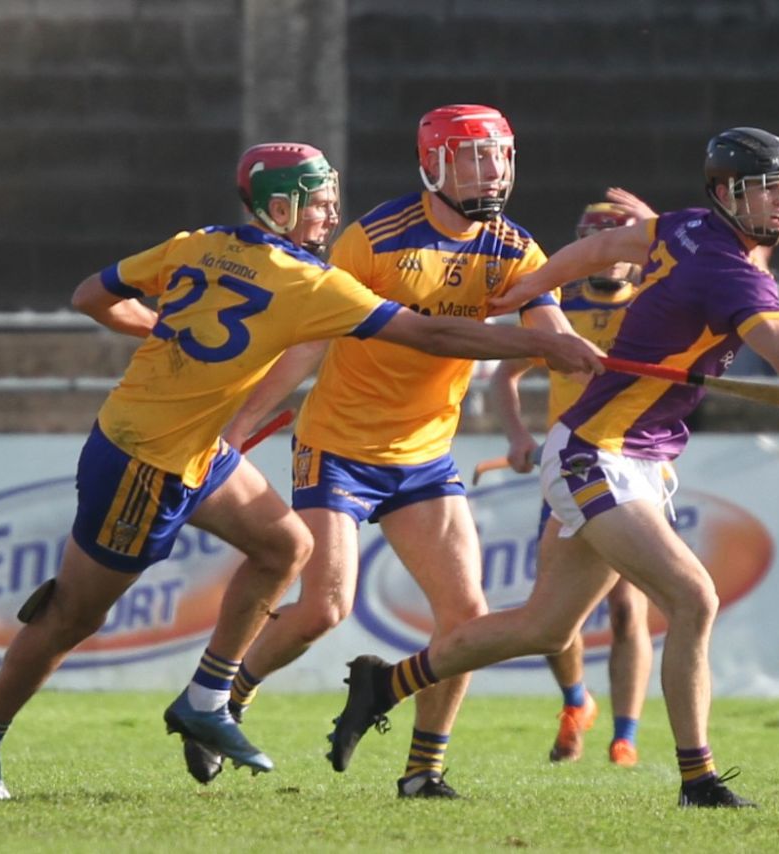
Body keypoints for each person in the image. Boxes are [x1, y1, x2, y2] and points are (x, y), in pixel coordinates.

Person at [0, 142, 603, 800]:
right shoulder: (305, 282)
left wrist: (163, 328)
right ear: (278, 207)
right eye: (316, 207)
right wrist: (541, 342)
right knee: (72, 616)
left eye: (332, 203)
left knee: (285, 546)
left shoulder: (195, 243)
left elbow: (88, 296)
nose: (328, 218)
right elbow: (431, 335)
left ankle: (208, 698)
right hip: (146, 460)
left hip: (188, 445)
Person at [324, 127, 779, 809]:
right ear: (726, 193)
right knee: (694, 597)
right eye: (766, 190)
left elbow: (605, 246)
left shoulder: (687, 230)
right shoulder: (728, 270)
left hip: (643, 454)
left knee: (547, 627)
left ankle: (385, 684)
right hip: (595, 452)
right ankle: (700, 779)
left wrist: (535, 284)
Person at [198, 105, 585, 800]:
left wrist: (586, 356)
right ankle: (225, 700)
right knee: (325, 607)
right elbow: (309, 342)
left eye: (498, 155)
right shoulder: (373, 240)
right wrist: (238, 426)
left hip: (424, 457)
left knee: (465, 617)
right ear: (434, 164)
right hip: (338, 446)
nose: (489, 170)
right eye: (472, 157)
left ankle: (423, 771)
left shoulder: (514, 248)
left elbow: (547, 326)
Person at [489, 202, 652, 767]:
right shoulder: (557, 308)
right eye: (595, 239)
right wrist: (516, 437)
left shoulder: (655, 304)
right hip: (568, 472)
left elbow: (701, 265)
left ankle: (625, 735)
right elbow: (504, 379)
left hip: (630, 464)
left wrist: (656, 221)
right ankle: (576, 701)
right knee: (557, 617)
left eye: (619, 239)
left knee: (629, 608)